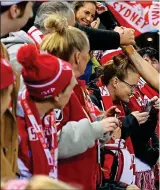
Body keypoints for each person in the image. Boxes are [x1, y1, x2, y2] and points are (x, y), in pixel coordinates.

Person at [40, 15, 119, 190]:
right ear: (77, 57)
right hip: (64, 182)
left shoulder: (76, 87)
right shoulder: (55, 88)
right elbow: (53, 139)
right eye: (88, 54)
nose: (90, 59)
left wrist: (101, 124)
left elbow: (79, 129)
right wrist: (95, 129)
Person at [16, 44, 77, 178]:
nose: (72, 93)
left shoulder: (47, 116)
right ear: (56, 95)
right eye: (70, 89)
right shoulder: (15, 127)